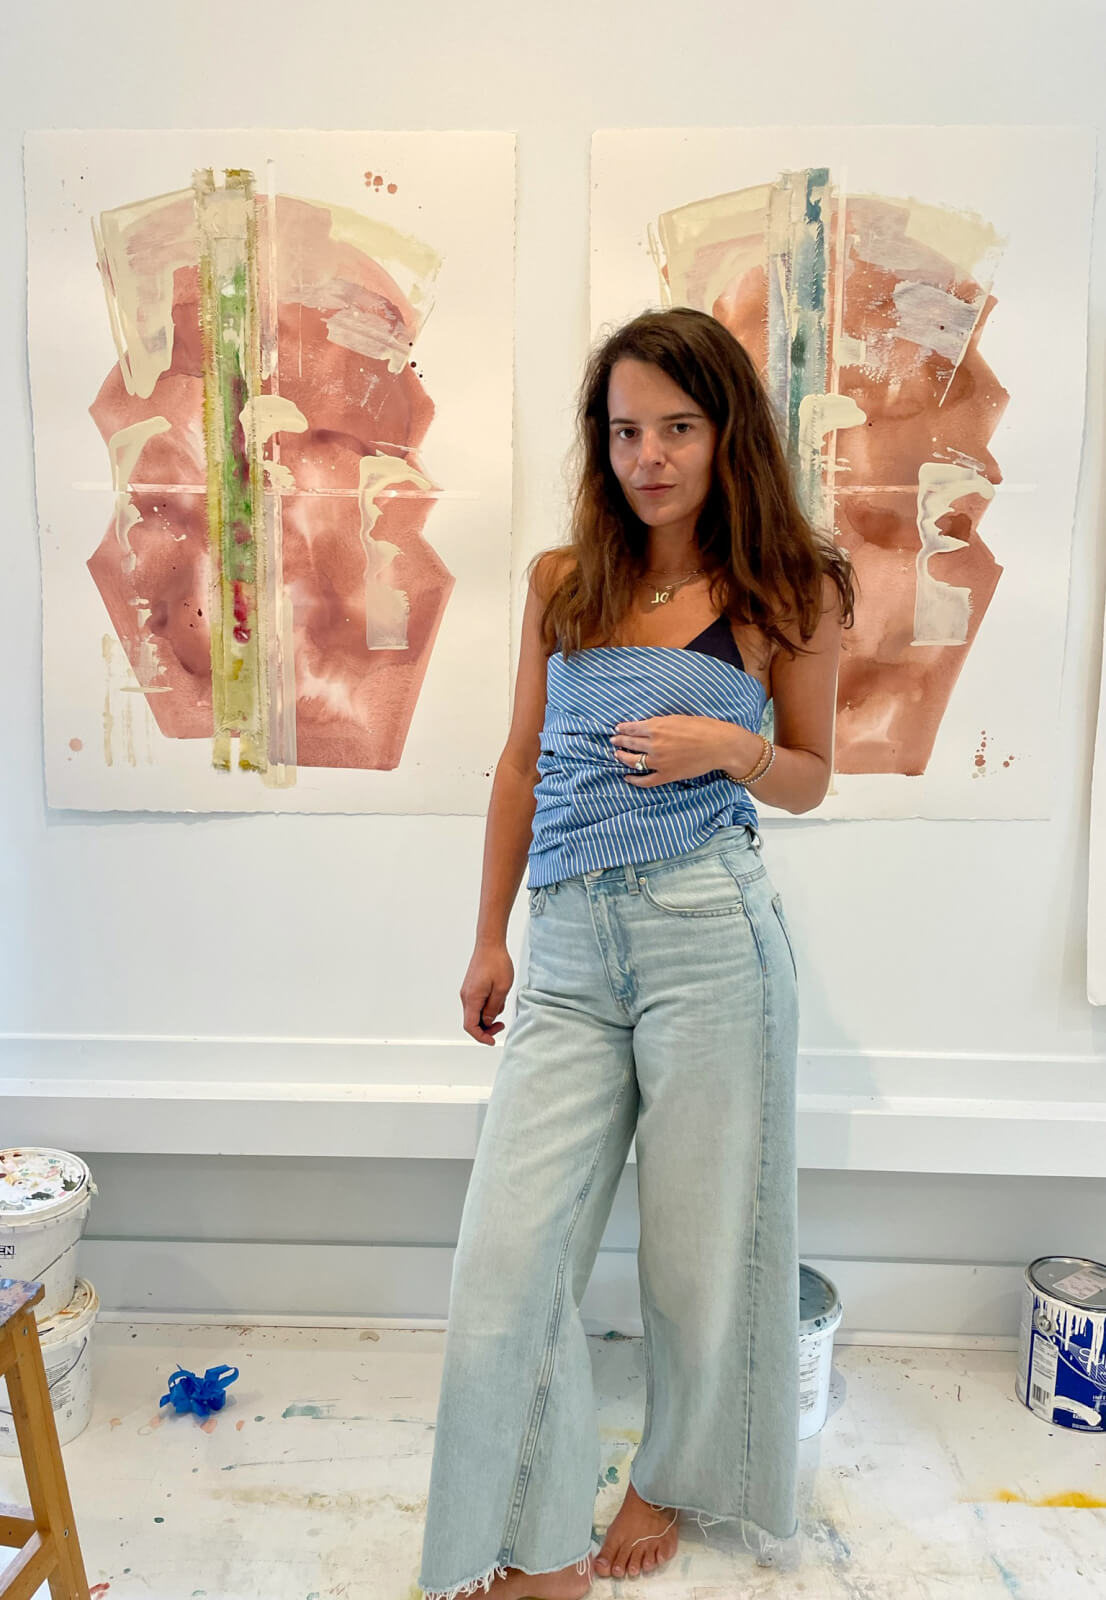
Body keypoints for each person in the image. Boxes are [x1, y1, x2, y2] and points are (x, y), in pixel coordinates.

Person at [417, 307, 854, 1600]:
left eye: (676, 427)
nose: (648, 456)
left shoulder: (790, 588)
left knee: (694, 1247)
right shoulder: (566, 583)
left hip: (706, 937)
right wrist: (487, 935)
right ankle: (538, 1546)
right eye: (623, 431)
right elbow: (514, 768)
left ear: (728, 435)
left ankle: (666, 1473)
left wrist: (728, 749)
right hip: (563, 943)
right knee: (505, 1257)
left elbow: (814, 777)